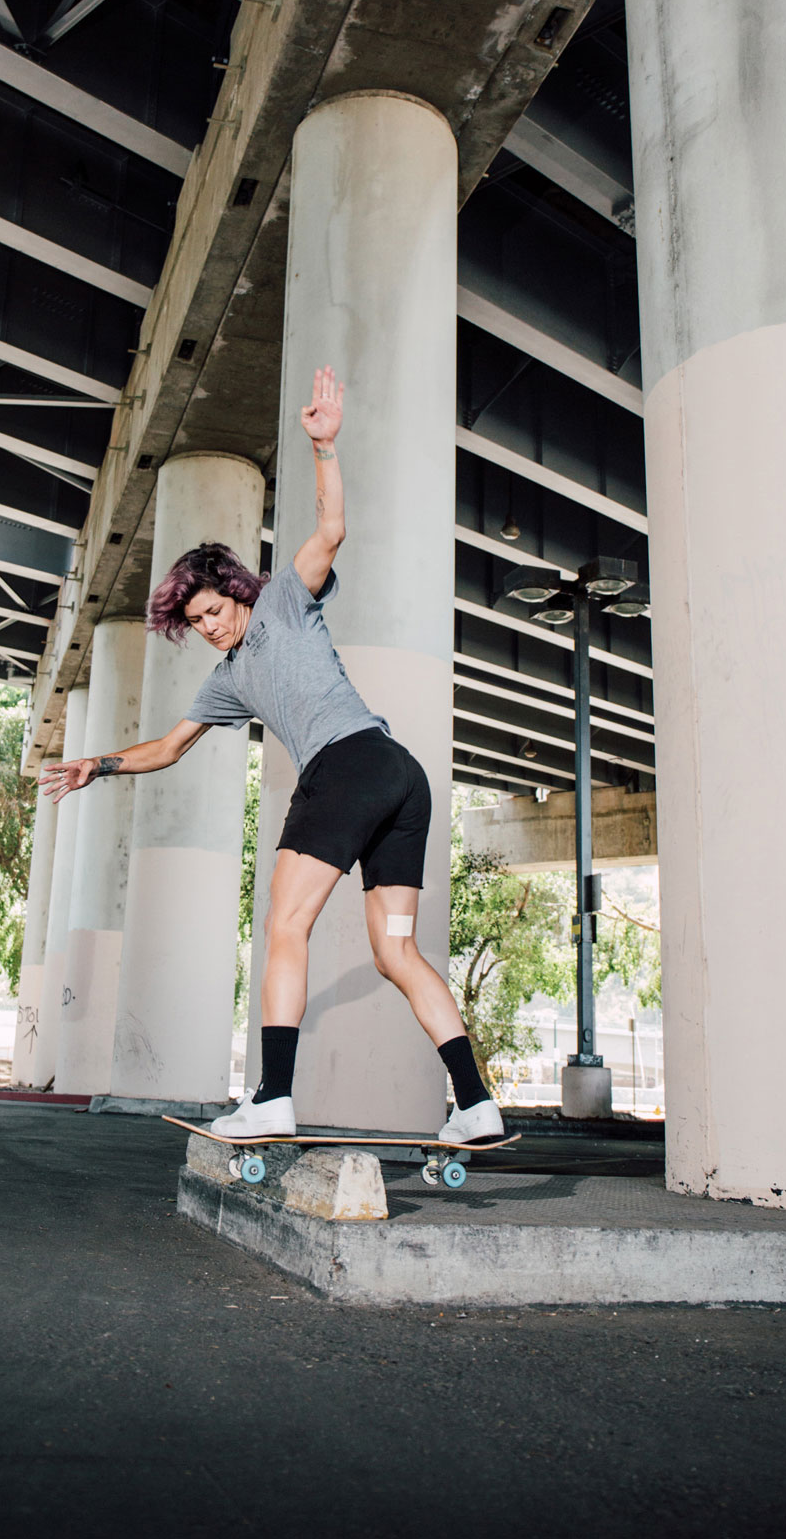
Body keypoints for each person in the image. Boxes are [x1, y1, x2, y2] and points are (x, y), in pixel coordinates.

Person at [42, 366, 503, 1144]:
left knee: (283, 925)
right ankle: (476, 1101)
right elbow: (170, 745)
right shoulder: (227, 682)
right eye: (197, 622)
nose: (212, 628)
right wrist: (100, 764)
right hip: (400, 778)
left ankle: (273, 1096)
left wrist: (326, 447)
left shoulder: (286, 599)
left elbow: (330, 531)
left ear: (237, 589)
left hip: (352, 765)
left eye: (214, 610)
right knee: (396, 951)